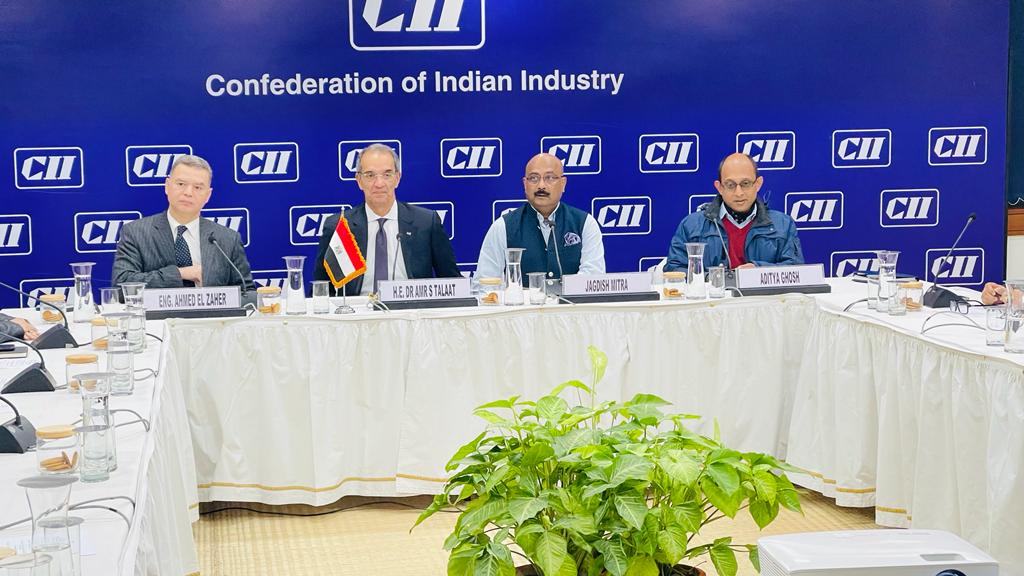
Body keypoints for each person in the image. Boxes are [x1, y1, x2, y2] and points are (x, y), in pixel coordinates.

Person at [313, 144, 460, 295]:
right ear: (359, 180)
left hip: (411, 307)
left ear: (397, 178)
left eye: (387, 174)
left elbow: (453, 283)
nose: (379, 184)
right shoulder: (339, 226)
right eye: (370, 175)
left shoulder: (426, 222)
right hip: (357, 308)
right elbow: (320, 290)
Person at [112, 155, 256, 305]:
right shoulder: (136, 233)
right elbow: (121, 287)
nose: (188, 192)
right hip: (156, 319)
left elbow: (247, 294)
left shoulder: (227, 239)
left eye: (198, 187)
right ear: (167, 186)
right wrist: (180, 273)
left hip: (211, 319)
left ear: (208, 195)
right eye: (181, 184)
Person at [476, 153, 605, 281]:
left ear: (563, 184)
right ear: (525, 184)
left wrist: (562, 291)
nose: (541, 185)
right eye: (534, 178)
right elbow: (485, 282)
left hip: (572, 296)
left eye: (550, 178)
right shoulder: (503, 226)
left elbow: (593, 277)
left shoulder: (585, 223)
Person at [666, 152, 802, 272]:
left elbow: (797, 271)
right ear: (719, 187)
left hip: (761, 294)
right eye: (730, 185)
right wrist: (714, 279)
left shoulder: (783, 225)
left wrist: (758, 271)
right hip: (713, 293)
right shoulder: (691, 225)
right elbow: (674, 269)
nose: (739, 193)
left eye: (745, 183)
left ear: (758, 184)